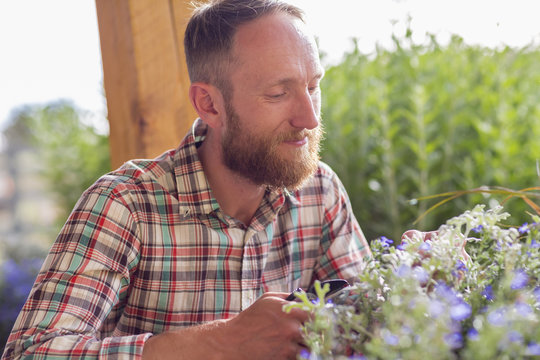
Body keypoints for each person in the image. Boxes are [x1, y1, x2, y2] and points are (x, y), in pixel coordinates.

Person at [2, 1, 371, 359]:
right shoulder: (125, 204)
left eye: (313, 86)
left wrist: (419, 275)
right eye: (278, 93)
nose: (309, 118)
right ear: (209, 104)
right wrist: (224, 343)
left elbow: (369, 324)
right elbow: (31, 353)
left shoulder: (320, 191)